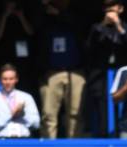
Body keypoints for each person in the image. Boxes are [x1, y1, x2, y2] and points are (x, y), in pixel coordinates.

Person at [84, 0, 127, 137]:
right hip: (101, 74)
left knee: (123, 102)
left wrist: (119, 26)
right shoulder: (97, 28)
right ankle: (104, 136)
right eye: (107, 8)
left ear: (120, 9)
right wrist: (102, 26)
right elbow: (89, 48)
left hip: (122, 72)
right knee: (103, 105)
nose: (110, 11)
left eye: (113, 7)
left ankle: (123, 133)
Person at [36, 0, 88, 139]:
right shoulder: (45, 16)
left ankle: (74, 144)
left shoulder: (77, 13)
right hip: (52, 72)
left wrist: (60, 13)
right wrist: (48, 12)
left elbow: (80, 27)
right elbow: (36, 31)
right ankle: (48, 145)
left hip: (75, 72)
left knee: (75, 113)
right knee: (48, 113)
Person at [0, 64, 40, 138]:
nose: (8, 82)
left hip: (24, 140)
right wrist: (10, 115)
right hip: (1, 141)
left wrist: (23, 115)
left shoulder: (26, 97)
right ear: (0, 80)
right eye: (5, 79)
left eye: (11, 79)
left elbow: (36, 124)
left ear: (16, 79)